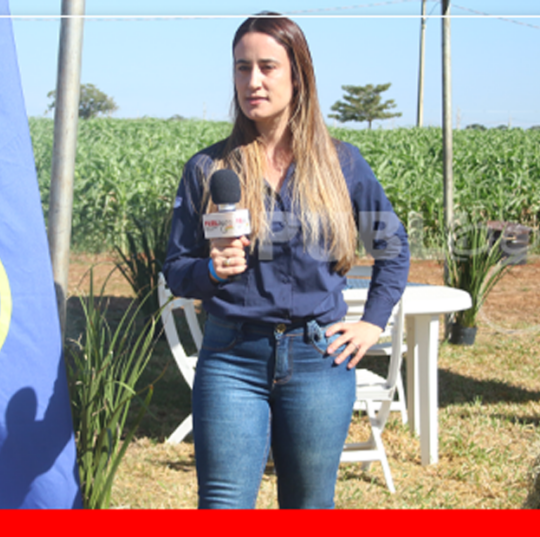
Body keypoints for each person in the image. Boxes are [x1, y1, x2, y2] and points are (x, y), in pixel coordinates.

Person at [162, 12, 410, 509]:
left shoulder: (342, 165)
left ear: (298, 75)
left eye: (267, 67)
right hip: (231, 358)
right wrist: (210, 271)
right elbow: (175, 268)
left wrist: (372, 324)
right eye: (242, 67)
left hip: (319, 359)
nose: (252, 81)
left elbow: (394, 247)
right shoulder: (209, 169)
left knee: (308, 508)